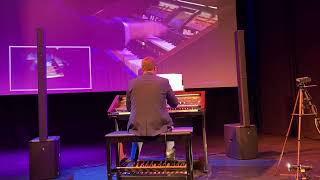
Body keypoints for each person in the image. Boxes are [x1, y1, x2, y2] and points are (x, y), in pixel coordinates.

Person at [126, 57, 179, 161]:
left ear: (142, 69)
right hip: (159, 125)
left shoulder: (131, 83)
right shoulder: (164, 82)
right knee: (170, 127)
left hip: (137, 125)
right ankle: (170, 160)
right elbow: (174, 103)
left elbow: (129, 108)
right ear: (155, 68)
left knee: (136, 128)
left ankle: (134, 160)